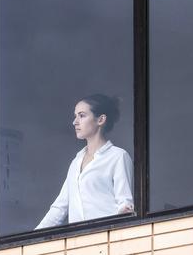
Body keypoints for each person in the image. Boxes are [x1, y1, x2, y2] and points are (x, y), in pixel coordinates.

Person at [36, 94, 134, 229]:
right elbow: (60, 208)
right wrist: (30, 240)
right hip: (80, 242)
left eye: (81, 116)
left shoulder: (118, 157)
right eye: (75, 116)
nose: (75, 122)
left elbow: (125, 204)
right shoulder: (76, 162)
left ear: (100, 119)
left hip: (108, 238)